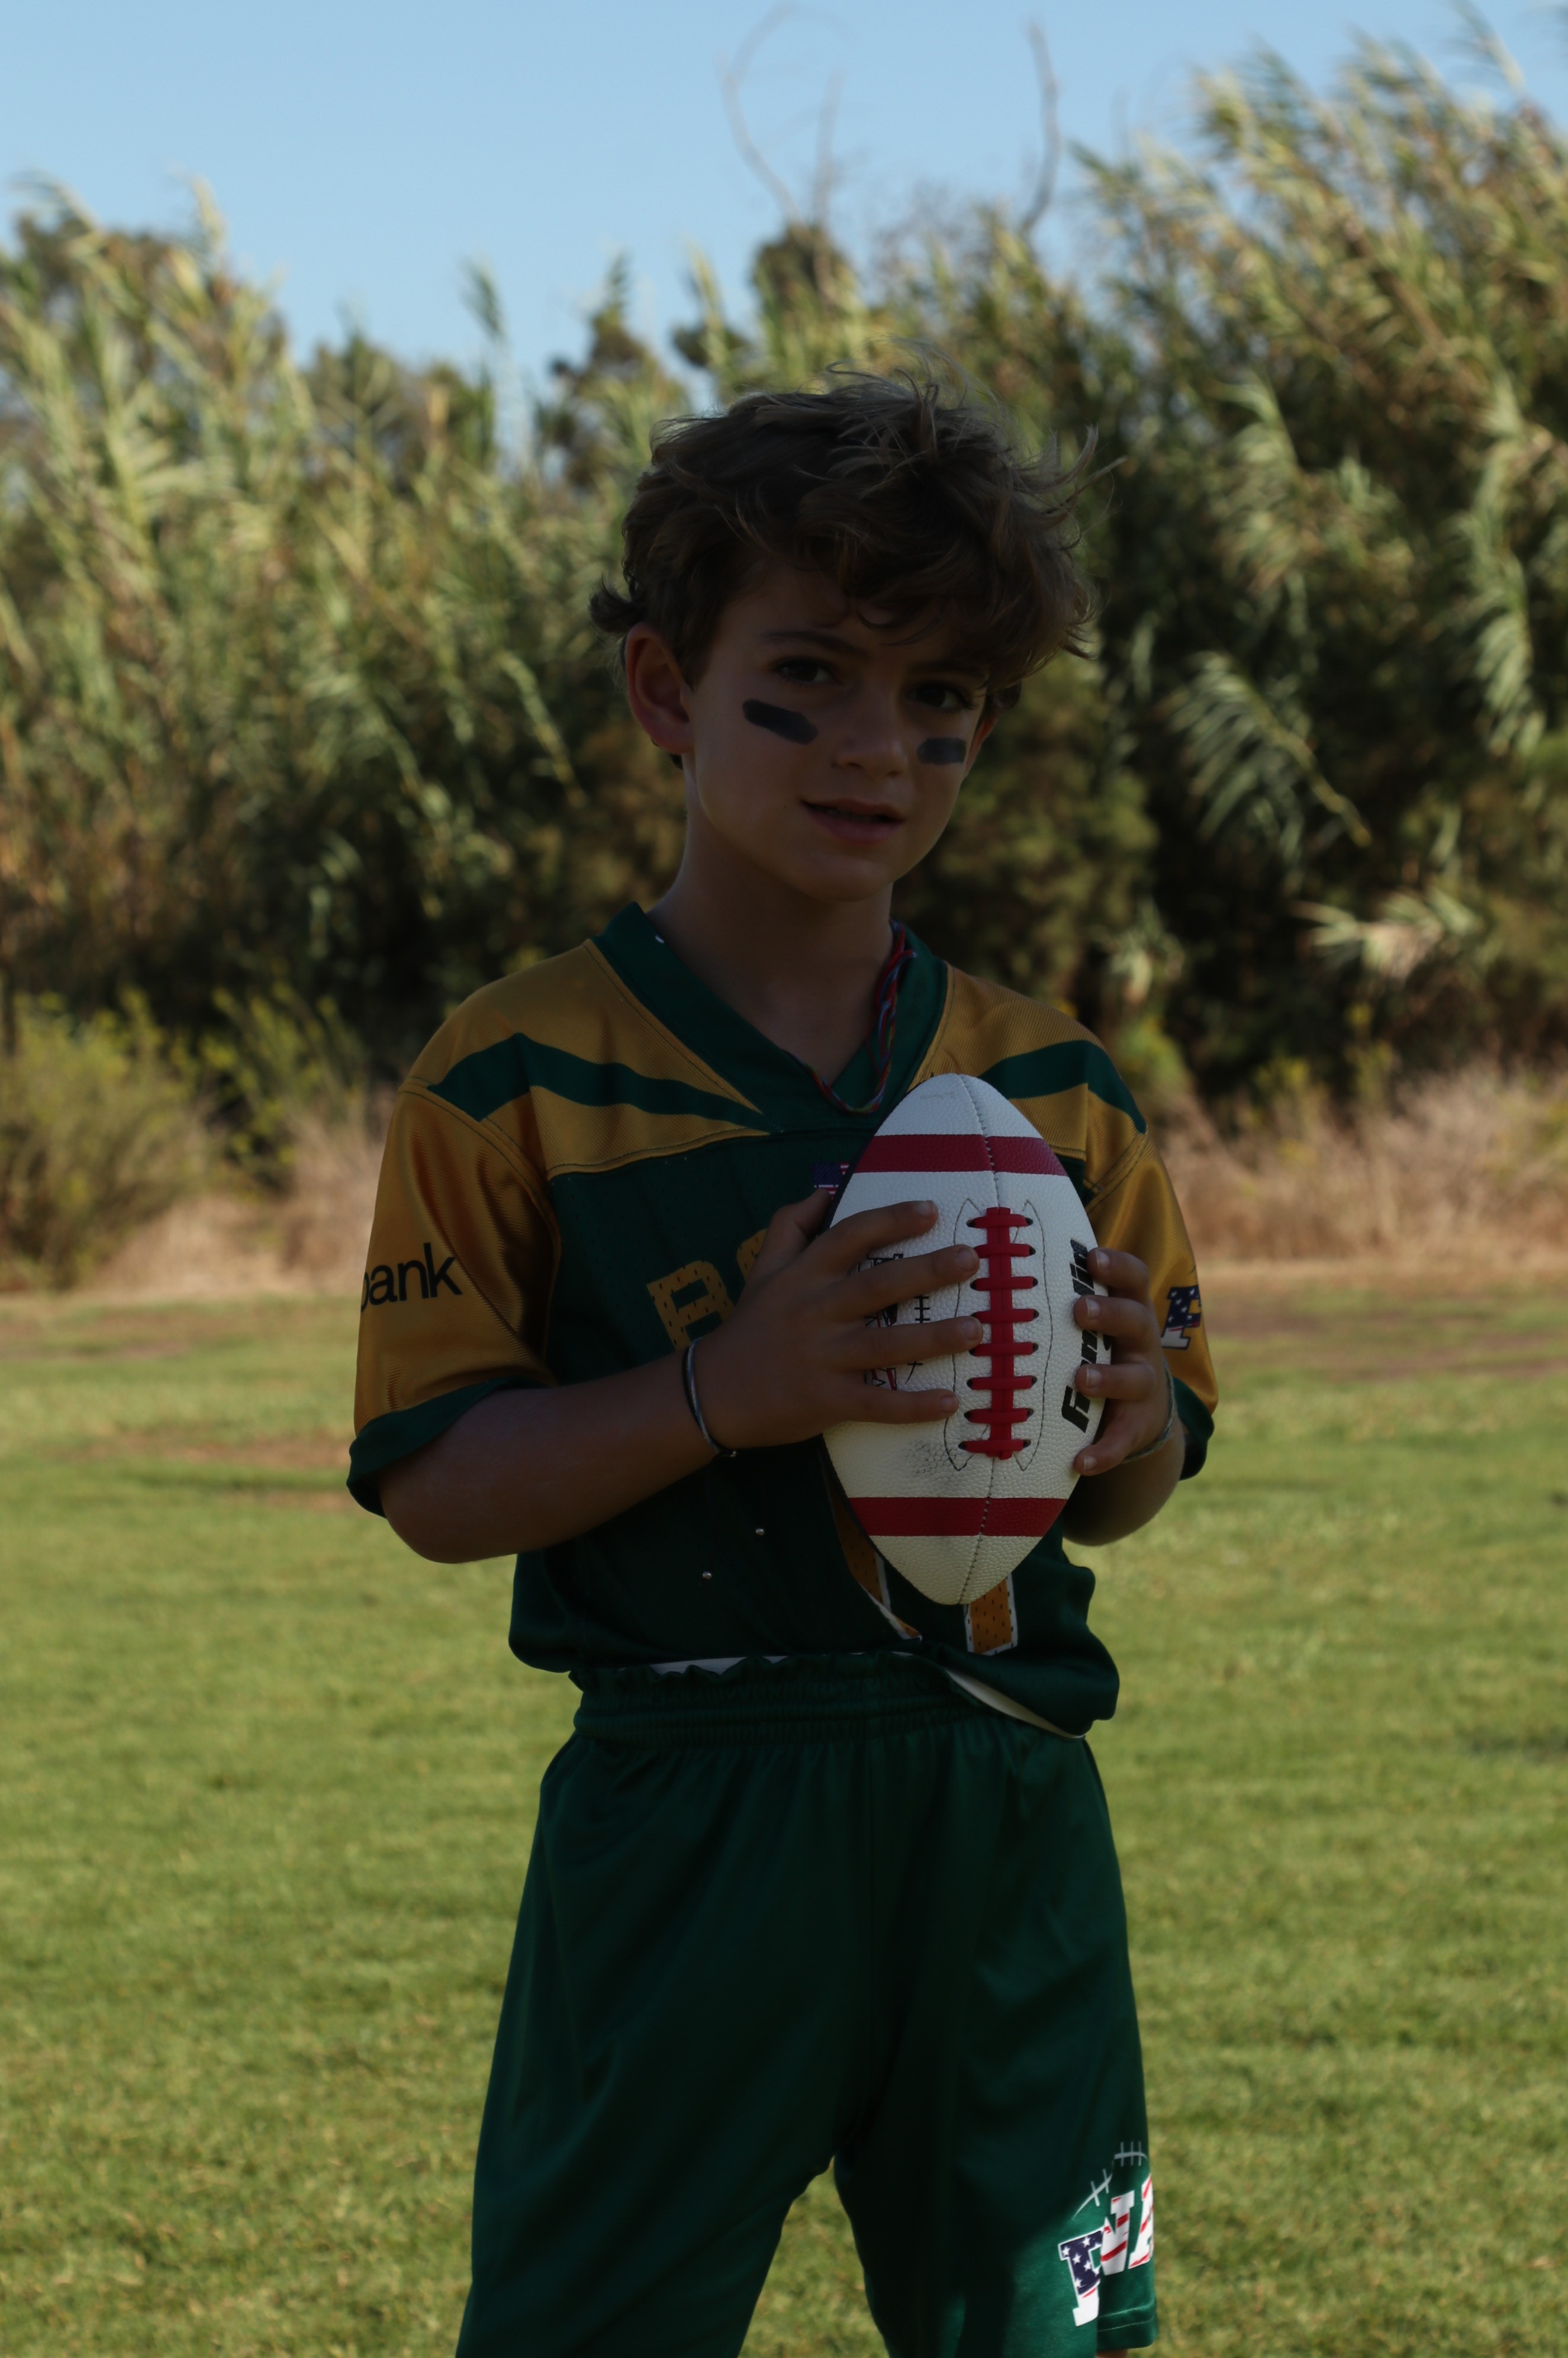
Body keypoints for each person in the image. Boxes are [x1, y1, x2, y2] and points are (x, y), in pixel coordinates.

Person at [349, 373, 1218, 2358]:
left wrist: (1130, 1424)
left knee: (1057, 2341)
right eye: (808, 678)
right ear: (667, 688)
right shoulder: (510, 1073)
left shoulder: (1057, 1086)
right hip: (691, 1807)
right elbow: (434, 1486)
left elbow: (1129, 1486)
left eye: (941, 701)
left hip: (1004, 1801)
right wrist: (725, 1390)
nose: (878, 748)